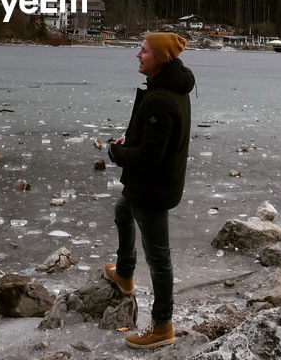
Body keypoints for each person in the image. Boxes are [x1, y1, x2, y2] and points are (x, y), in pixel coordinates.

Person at [103, 32, 195, 349]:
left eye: (143, 51)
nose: (138, 55)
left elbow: (149, 158)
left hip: (152, 189)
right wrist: (131, 139)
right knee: (120, 211)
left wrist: (117, 155)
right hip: (151, 184)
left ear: (160, 57)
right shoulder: (166, 86)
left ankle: (162, 326)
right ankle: (126, 274)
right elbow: (156, 141)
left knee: (158, 258)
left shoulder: (162, 98)